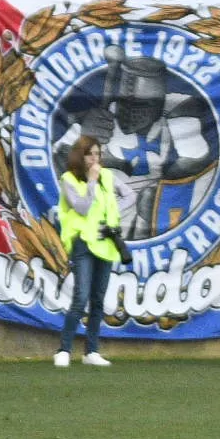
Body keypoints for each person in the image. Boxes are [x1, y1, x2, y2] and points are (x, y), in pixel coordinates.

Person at [53, 133, 121, 368]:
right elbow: (81, 208)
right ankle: (64, 349)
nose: (95, 159)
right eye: (90, 154)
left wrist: (113, 214)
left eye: (98, 154)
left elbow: (130, 195)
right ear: (79, 156)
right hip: (83, 242)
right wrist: (92, 181)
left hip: (105, 242)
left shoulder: (108, 177)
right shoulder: (68, 180)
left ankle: (91, 350)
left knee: (98, 299)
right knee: (80, 297)